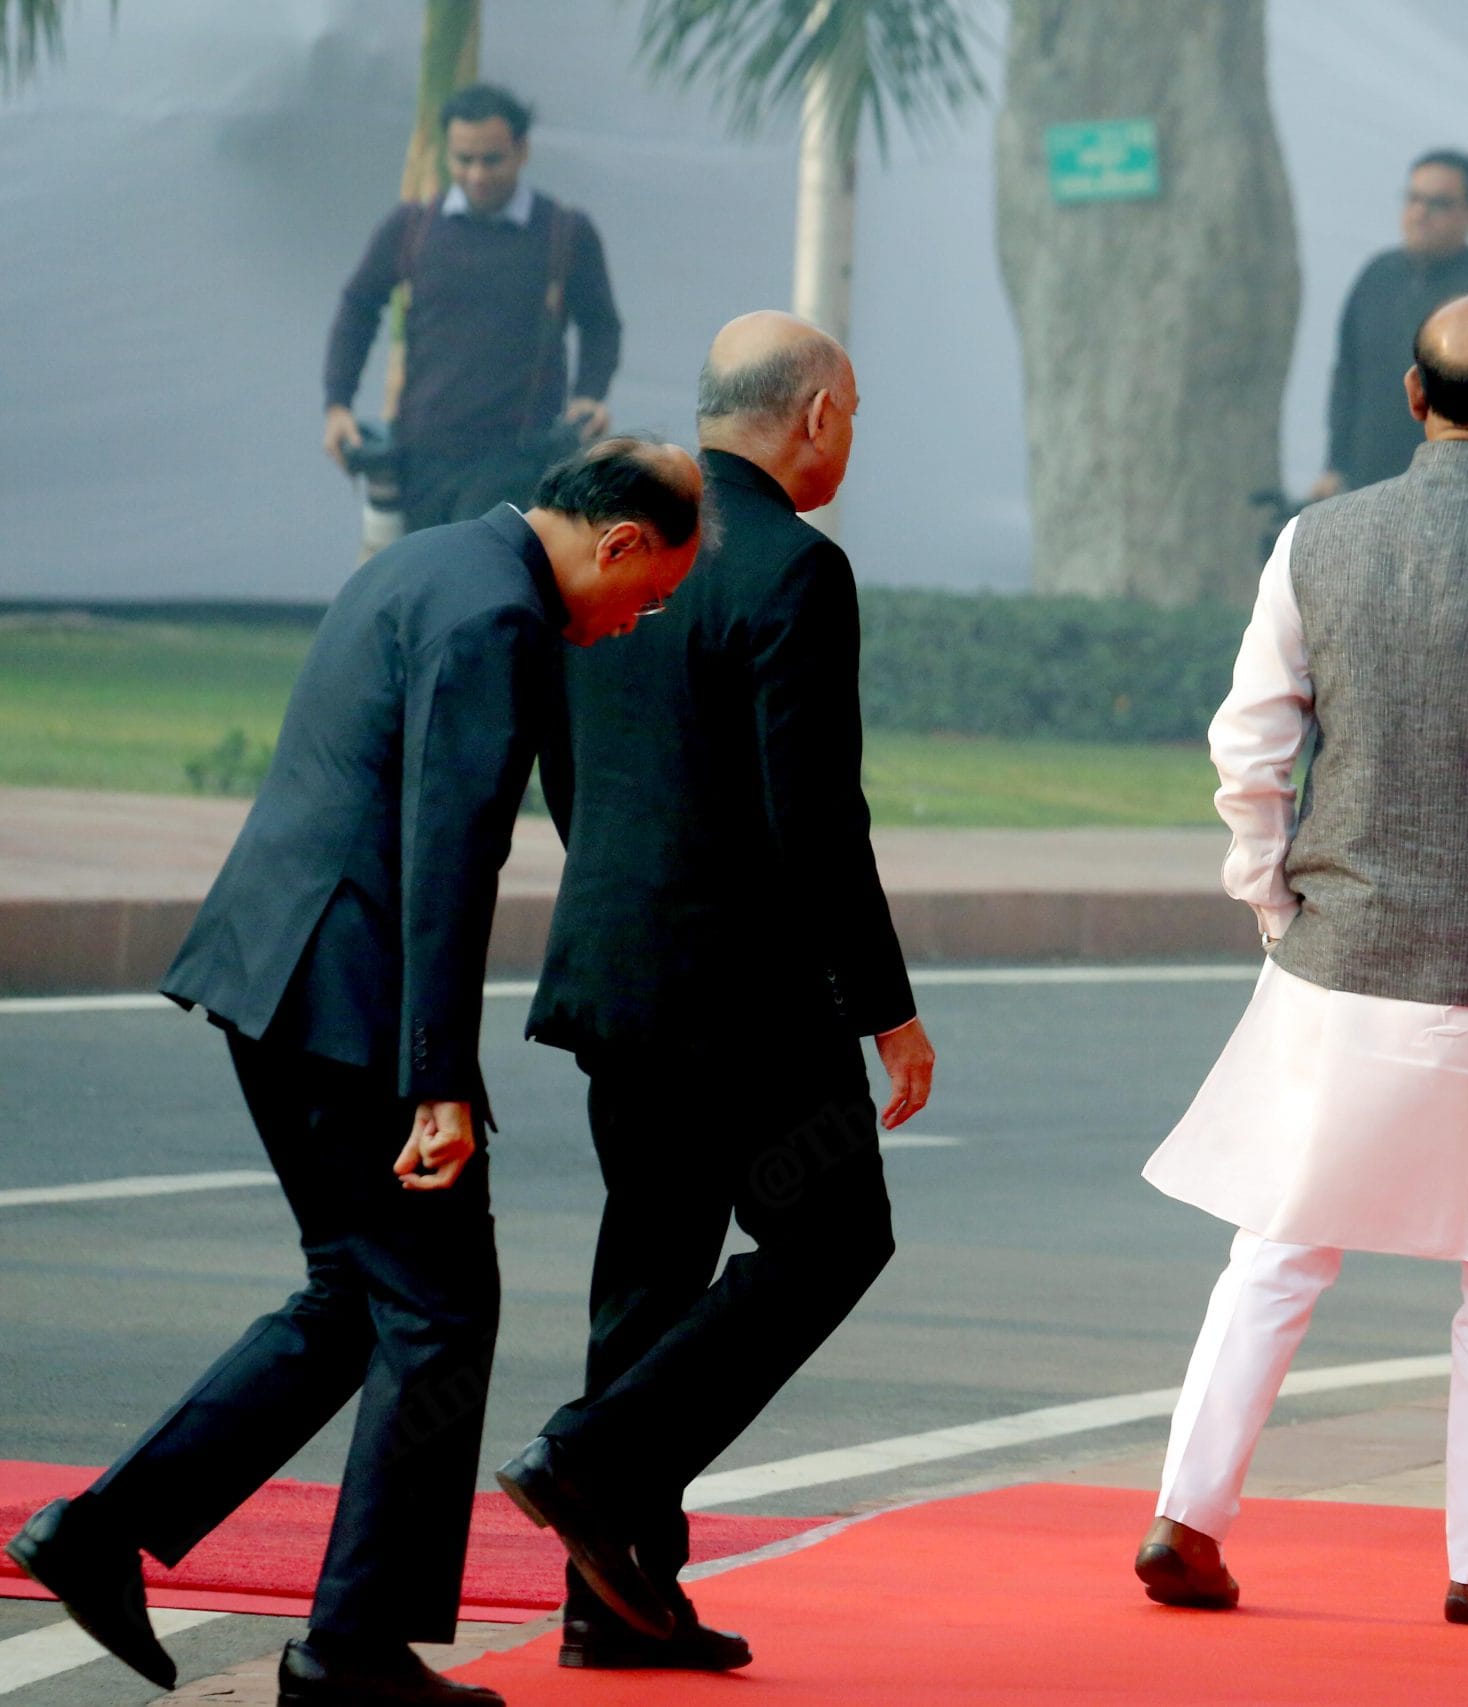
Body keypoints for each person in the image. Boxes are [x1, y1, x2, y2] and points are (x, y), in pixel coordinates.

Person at [4, 440, 703, 1707]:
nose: (630, 626)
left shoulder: (429, 559)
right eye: (647, 596)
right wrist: (440, 1078)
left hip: (271, 974)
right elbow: (448, 854)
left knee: (357, 1301)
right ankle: (351, 1651)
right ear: (618, 542)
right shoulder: (498, 618)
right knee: (440, 1319)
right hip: (349, 999)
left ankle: (105, 1532)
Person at [1134, 295, 1468, 1628]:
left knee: (1279, 1243)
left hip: (1341, 955)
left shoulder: (1314, 541)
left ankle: (1187, 1519)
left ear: (1410, 395)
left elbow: (1248, 748)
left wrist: (1271, 899)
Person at [499, 312, 933, 1667]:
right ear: (815, 416)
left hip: (615, 965)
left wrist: (628, 891)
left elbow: (567, 764)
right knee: (833, 1236)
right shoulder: (797, 565)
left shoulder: (621, 541)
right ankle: (593, 1456)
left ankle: (615, 1600)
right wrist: (886, 1009)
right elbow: (816, 819)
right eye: (853, 414)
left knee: (649, 1271)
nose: (851, 438)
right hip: (747, 995)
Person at [324, 83, 624, 533]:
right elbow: (358, 307)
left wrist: (590, 394)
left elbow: (601, 324)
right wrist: (337, 404)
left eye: (492, 159)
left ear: (522, 151)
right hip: (421, 457)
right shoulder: (412, 227)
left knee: (487, 570)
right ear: (446, 154)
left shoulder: (564, 232)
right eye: (463, 160)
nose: (477, 175)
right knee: (419, 572)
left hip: (519, 458)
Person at [1309, 149, 1468, 501]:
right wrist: (1334, 467)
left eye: (1438, 203)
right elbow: (1347, 376)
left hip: (1453, 505)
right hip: (1364, 496)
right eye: (1413, 198)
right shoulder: (1377, 277)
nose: (1419, 213)